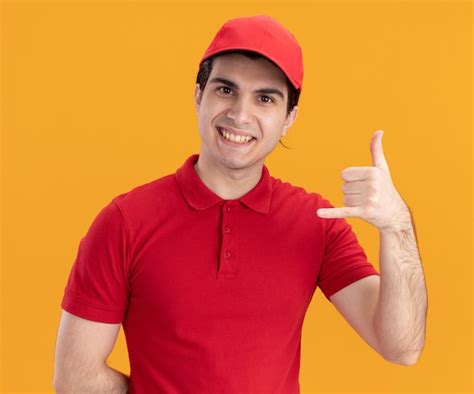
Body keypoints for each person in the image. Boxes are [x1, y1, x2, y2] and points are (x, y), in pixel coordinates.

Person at [53, 14, 427, 394]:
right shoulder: (124, 222)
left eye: (265, 98)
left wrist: (396, 225)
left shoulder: (317, 223)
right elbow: (76, 379)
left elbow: (401, 347)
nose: (240, 114)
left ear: (288, 119)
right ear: (199, 95)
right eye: (225, 90)